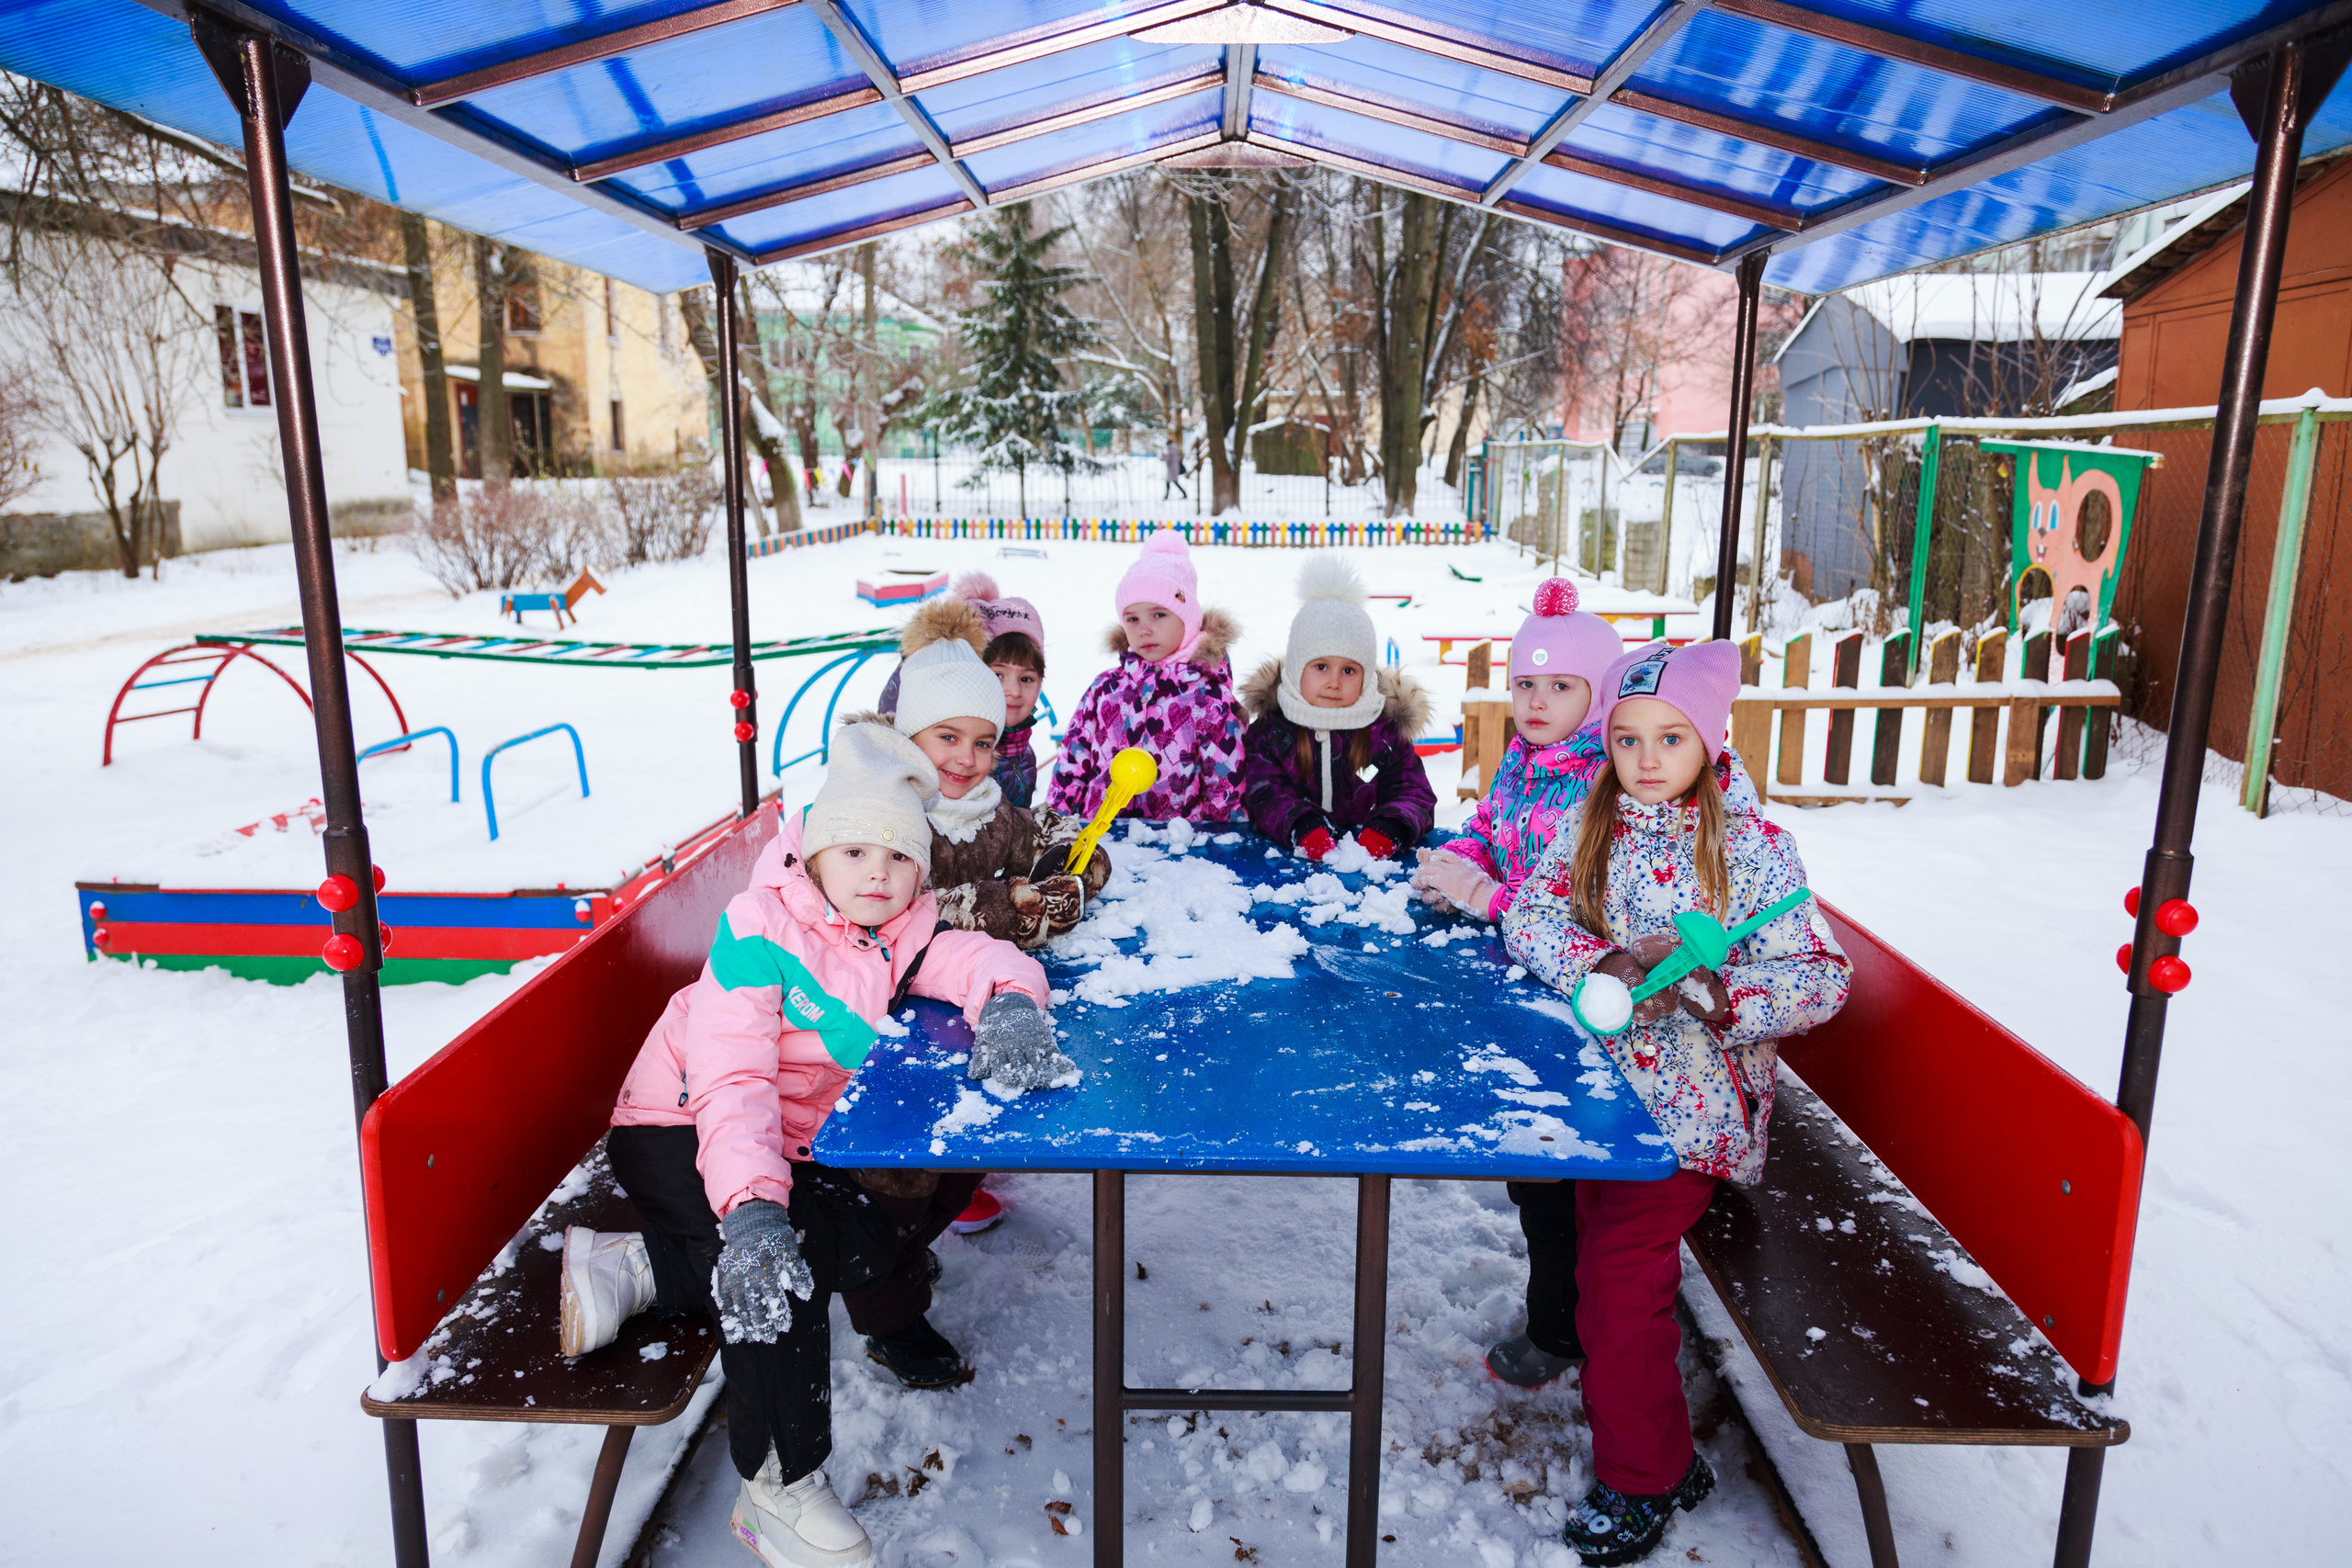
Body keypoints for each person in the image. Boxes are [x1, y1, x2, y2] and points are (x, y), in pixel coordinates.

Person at [557, 718, 1074, 1568]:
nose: (880, 871)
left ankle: (645, 1266)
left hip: (790, 1137)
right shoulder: (760, 932)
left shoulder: (899, 924)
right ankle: (779, 1487)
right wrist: (755, 1213)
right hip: (680, 1124)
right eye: (858, 851)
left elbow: (973, 953)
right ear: (815, 854)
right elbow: (733, 1084)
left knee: (877, 1223)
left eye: (901, 856)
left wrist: (1013, 1000)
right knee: (780, 1256)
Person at [1499, 641, 1850, 1566]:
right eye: (1624, 740)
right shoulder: (1596, 829)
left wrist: (1719, 995)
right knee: (1595, 1270)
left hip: (1693, 1120)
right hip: (1605, 1109)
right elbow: (1529, 912)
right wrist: (1596, 964)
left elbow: (1819, 977)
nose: (1645, 760)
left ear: (1710, 739)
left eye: (1668, 737)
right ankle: (1661, 1442)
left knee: (1615, 1294)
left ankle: (1642, 1476)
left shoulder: (1752, 853)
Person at [1410, 577, 1622, 922]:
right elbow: (1489, 824)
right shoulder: (1521, 755)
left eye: (1560, 686)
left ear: (1599, 692)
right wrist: (1458, 865)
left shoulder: (1608, 778)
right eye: (1525, 684)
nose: (1536, 702)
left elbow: (1588, 898)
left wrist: (1483, 896)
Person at [1238, 553, 1435, 860]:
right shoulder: (1272, 730)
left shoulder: (1383, 731)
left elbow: (1413, 791)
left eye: (1348, 670)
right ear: (1295, 667)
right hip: (1286, 864)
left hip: (1369, 868)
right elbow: (1264, 791)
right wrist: (1302, 825)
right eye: (1320, 666)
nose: (1334, 682)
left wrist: (1389, 827)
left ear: (1366, 676)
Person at [1047, 531, 1245, 824]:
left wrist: (1221, 847)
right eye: (1133, 618)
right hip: (1101, 843)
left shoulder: (1212, 701)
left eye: (1159, 615)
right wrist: (1056, 825)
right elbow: (1073, 765)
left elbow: (1225, 790)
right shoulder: (1106, 689)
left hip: (1181, 850)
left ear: (1188, 619)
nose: (1144, 629)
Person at [878, 573, 1051, 807]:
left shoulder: (1023, 753)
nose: (1014, 691)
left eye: (1027, 678)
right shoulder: (928, 755)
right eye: (997, 674)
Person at [1161, 433, 1187, 500]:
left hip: (1172, 469)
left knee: (1173, 482)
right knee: (1171, 482)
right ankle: (1167, 496)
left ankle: (1184, 493)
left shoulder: (1171, 450)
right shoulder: (1175, 449)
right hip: (1174, 468)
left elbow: (1167, 459)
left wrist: (1163, 455)